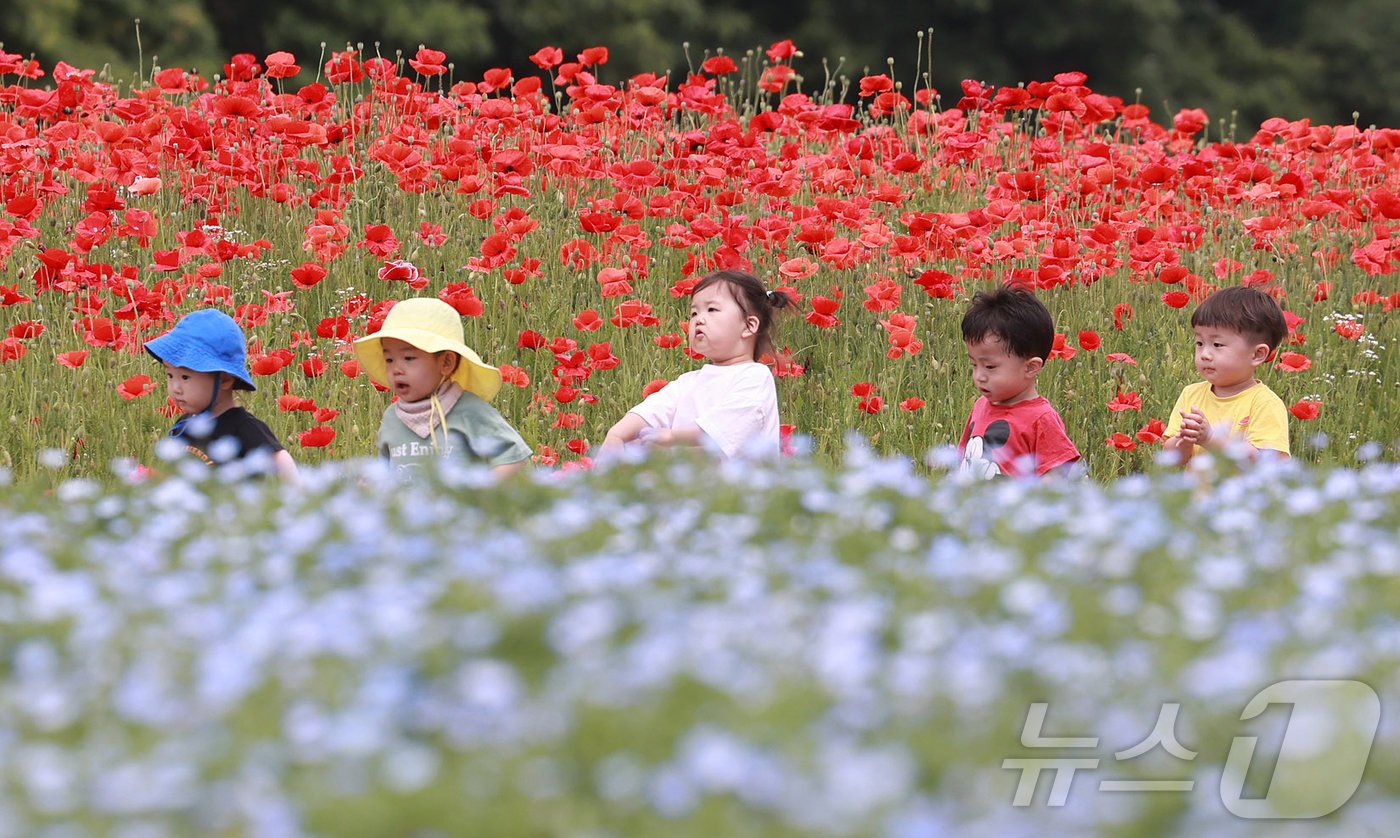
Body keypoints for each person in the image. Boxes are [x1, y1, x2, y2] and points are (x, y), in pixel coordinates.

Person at [602, 270, 791, 459]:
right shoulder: (688, 382)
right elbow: (652, 411)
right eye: (694, 312)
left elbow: (725, 430)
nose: (698, 319)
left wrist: (670, 438)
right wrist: (617, 434)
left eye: (712, 310)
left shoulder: (755, 376)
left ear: (749, 325)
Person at [353, 297, 531, 477]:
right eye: (389, 360)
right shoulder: (392, 417)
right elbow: (382, 472)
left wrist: (483, 495)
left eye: (409, 358)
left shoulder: (469, 410)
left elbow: (512, 456)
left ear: (446, 362)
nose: (396, 369)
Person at [144, 309, 299, 481]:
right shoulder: (183, 425)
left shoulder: (244, 427)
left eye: (185, 377)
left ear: (225, 379)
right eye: (170, 376)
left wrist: (295, 497)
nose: (175, 388)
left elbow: (282, 461)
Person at [958, 285, 1081, 478]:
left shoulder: (1041, 419)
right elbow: (963, 461)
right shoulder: (980, 406)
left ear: (1031, 367)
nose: (979, 376)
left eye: (990, 367)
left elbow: (1057, 478)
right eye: (974, 364)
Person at [1163, 286, 1290, 464]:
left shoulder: (1264, 403)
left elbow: (1266, 462)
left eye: (1217, 345)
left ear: (1257, 354)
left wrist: (1209, 438)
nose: (1205, 354)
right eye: (1199, 343)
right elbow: (1172, 459)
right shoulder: (1191, 395)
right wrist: (1184, 439)